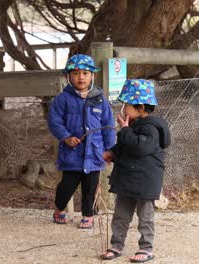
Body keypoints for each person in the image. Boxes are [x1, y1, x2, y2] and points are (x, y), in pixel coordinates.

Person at [101, 79, 171, 262]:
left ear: (140, 107)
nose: (123, 109)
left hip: (145, 182)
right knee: (120, 216)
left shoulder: (151, 128)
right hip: (127, 180)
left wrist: (124, 130)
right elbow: (126, 146)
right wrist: (112, 153)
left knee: (145, 217)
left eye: (126, 105)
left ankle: (146, 248)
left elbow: (140, 147)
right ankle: (116, 245)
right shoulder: (134, 127)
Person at [48, 54, 115, 229]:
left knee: (90, 188)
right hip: (72, 153)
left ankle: (88, 215)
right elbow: (54, 122)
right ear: (68, 76)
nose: (81, 77)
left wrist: (110, 150)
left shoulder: (100, 100)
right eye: (76, 73)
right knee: (66, 186)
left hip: (94, 154)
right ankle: (59, 208)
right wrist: (66, 137)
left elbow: (108, 125)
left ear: (92, 75)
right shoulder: (62, 99)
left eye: (85, 73)